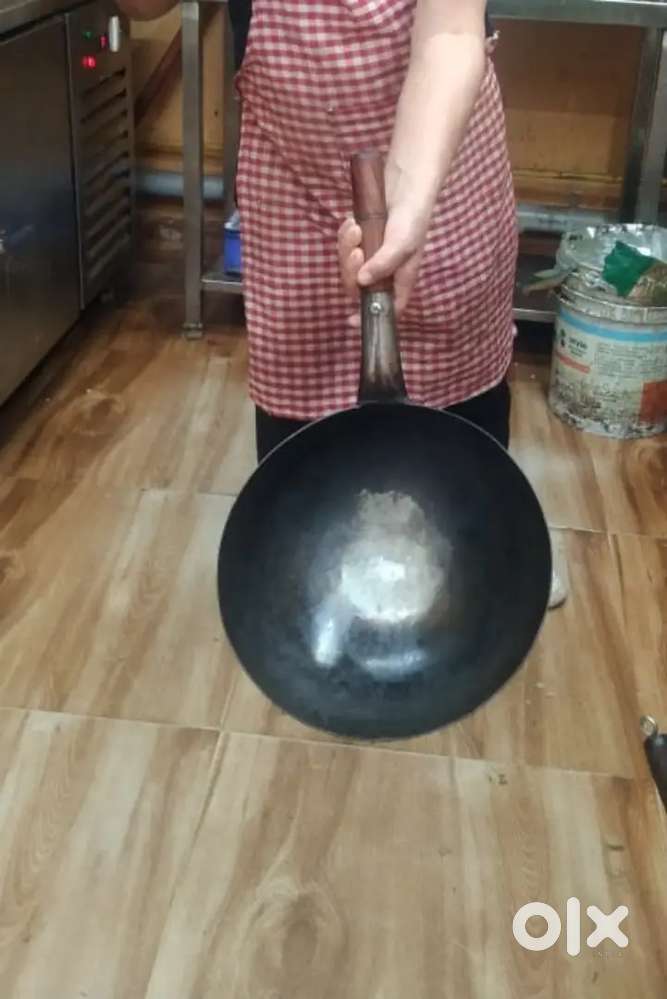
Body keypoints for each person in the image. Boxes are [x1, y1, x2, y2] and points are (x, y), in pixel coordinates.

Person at [120, 0, 566, 607]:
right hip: (294, 181)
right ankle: (315, 572)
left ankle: (491, 543)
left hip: (438, 175)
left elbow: (448, 36)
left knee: (462, 396)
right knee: (302, 409)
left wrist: (407, 209)